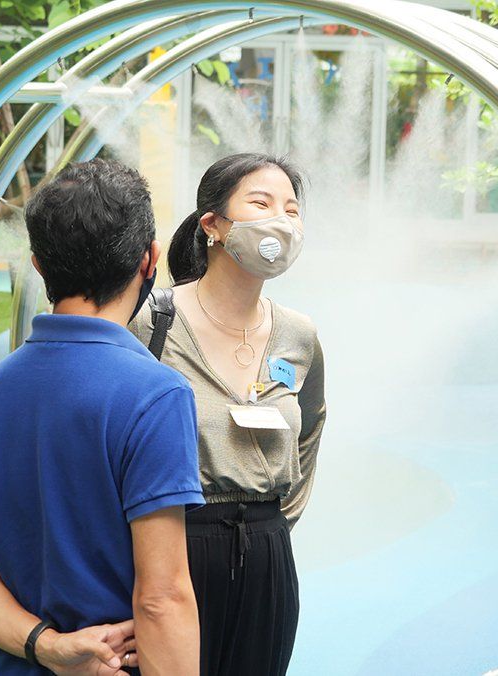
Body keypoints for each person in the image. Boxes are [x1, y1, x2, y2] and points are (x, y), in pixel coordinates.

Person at [0, 159, 203, 675]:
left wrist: (48, 645)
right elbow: (161, 598)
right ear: (150, 259)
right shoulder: (156, 394)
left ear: (37, 264)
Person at [128, 152, 327, 676]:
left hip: (267, 554)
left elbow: (311, 423)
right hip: (171, 543)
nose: (281, 221)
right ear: (212, 224)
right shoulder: (152, 321)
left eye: (292, 209)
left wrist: (280, 518)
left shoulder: (297, 334)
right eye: (261, 204)